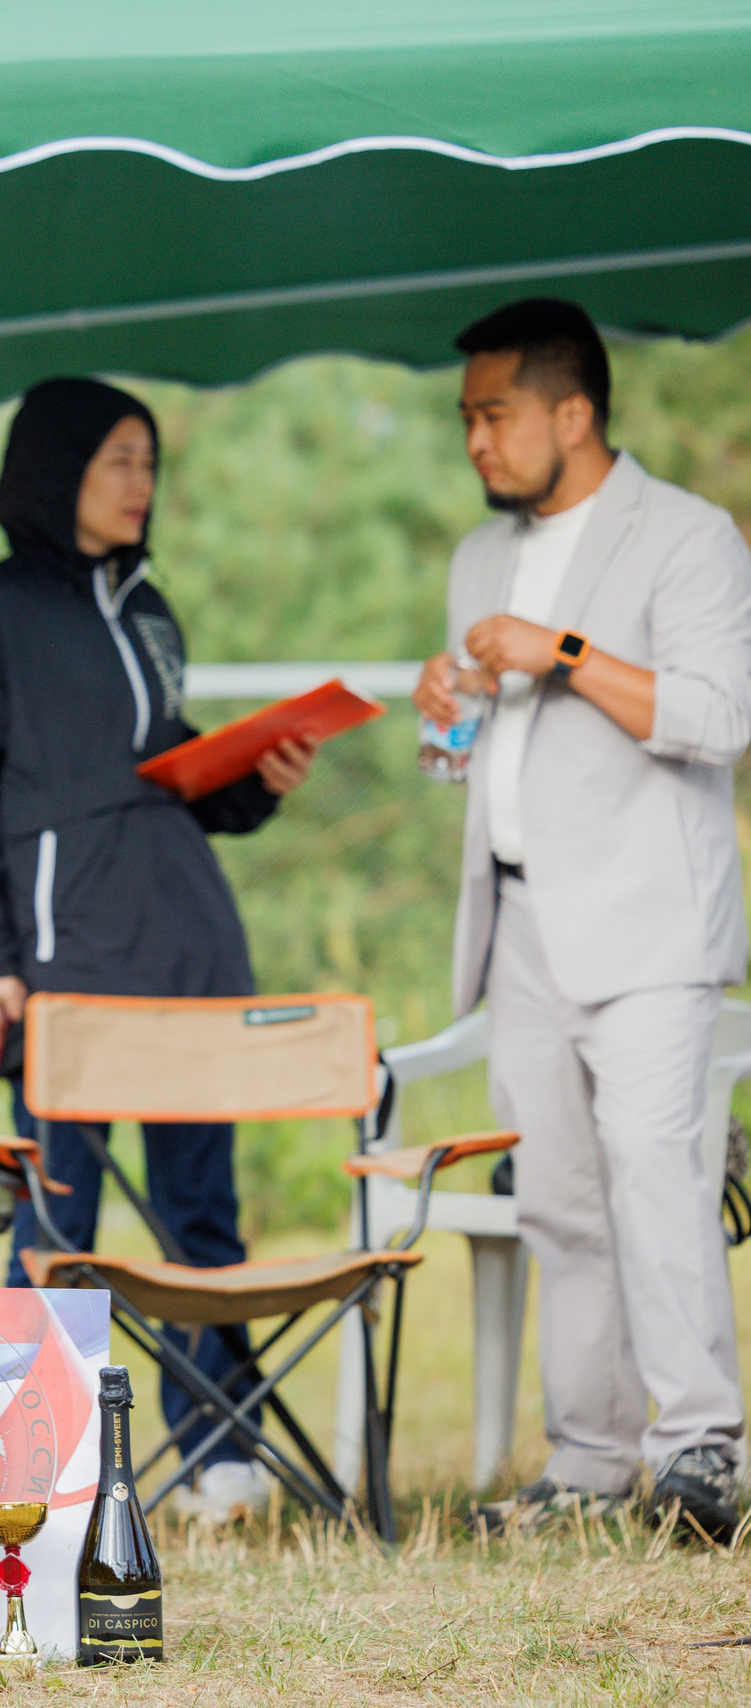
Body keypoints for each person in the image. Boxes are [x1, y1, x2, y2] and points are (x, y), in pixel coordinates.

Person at [0, 378, 316, 1524]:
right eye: (119, 462)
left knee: (204, 1216)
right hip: (63, 968)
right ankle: (20, 1468)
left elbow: (164, 776)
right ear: (56, 471)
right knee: (56, 1226)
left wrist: (251, 780)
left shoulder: (152, 608)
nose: (142, 484)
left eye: (149, 463)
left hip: (188, 951)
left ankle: (220, 1457)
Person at [414, 298, 751, 1540]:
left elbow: (720, 717)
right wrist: (442, 711)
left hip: (651, 923)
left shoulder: (687, 537)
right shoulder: (474, 556)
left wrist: (558, 648)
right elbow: (469, 755)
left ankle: (701, 1447)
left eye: (493, 417)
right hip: (521, 924)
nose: (475, 445)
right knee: (556, 1195)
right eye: (464, 421)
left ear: (573, 411)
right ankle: (592, 1457)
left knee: (656, 1179)